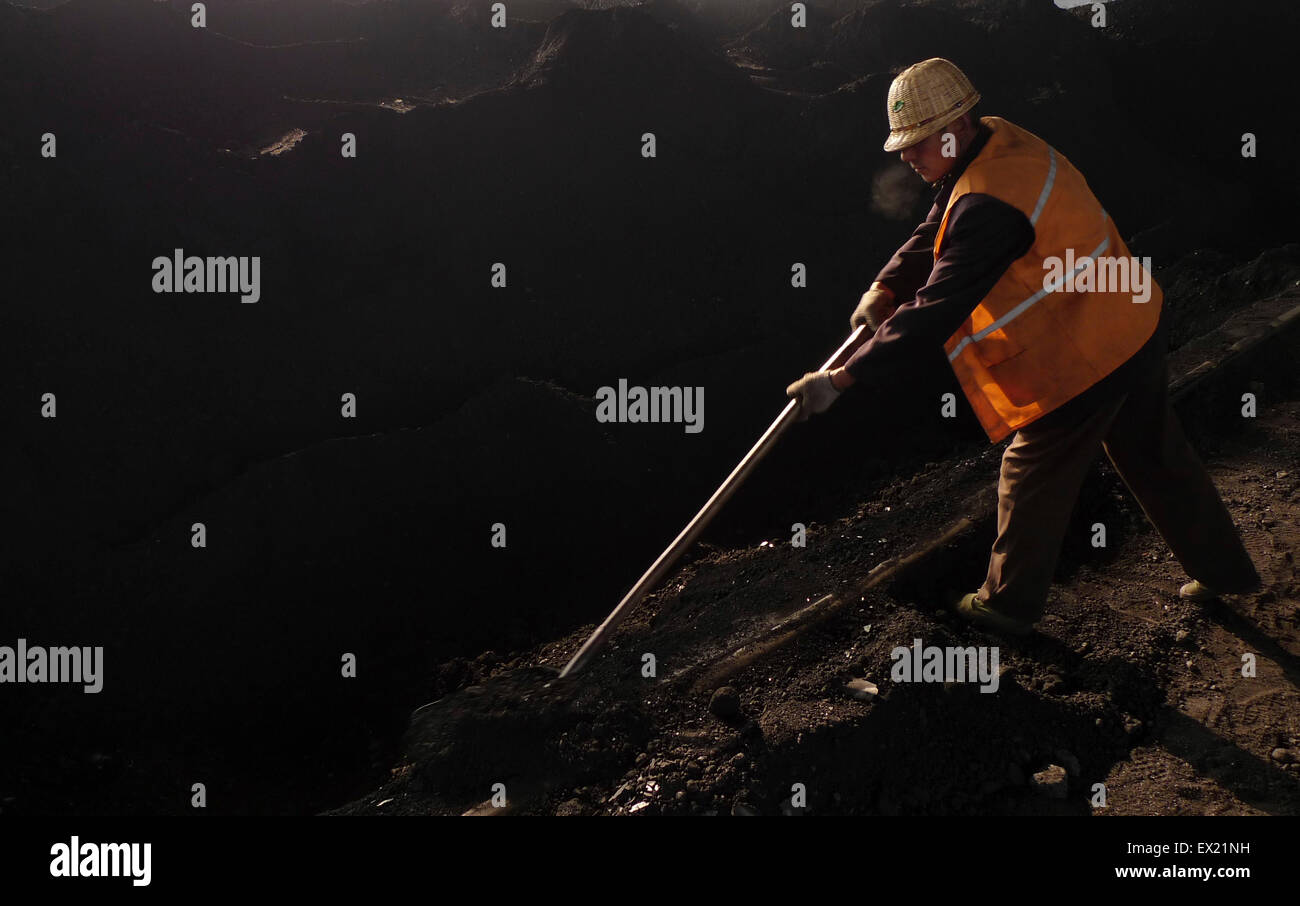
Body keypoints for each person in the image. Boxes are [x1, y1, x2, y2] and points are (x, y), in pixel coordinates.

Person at [785, 58, 1260, 635]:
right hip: (1129, 321)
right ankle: (1225, 569)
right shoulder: (1001, 143)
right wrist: (883, 285)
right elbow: (936, 224)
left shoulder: (988, 206)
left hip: (1082, 355)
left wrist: (839, 381)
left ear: (953, 131)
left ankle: (1006, 606)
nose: (906, 156)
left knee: (1031, 470)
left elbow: (938, 307)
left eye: (915, 144)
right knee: (1157, 453)